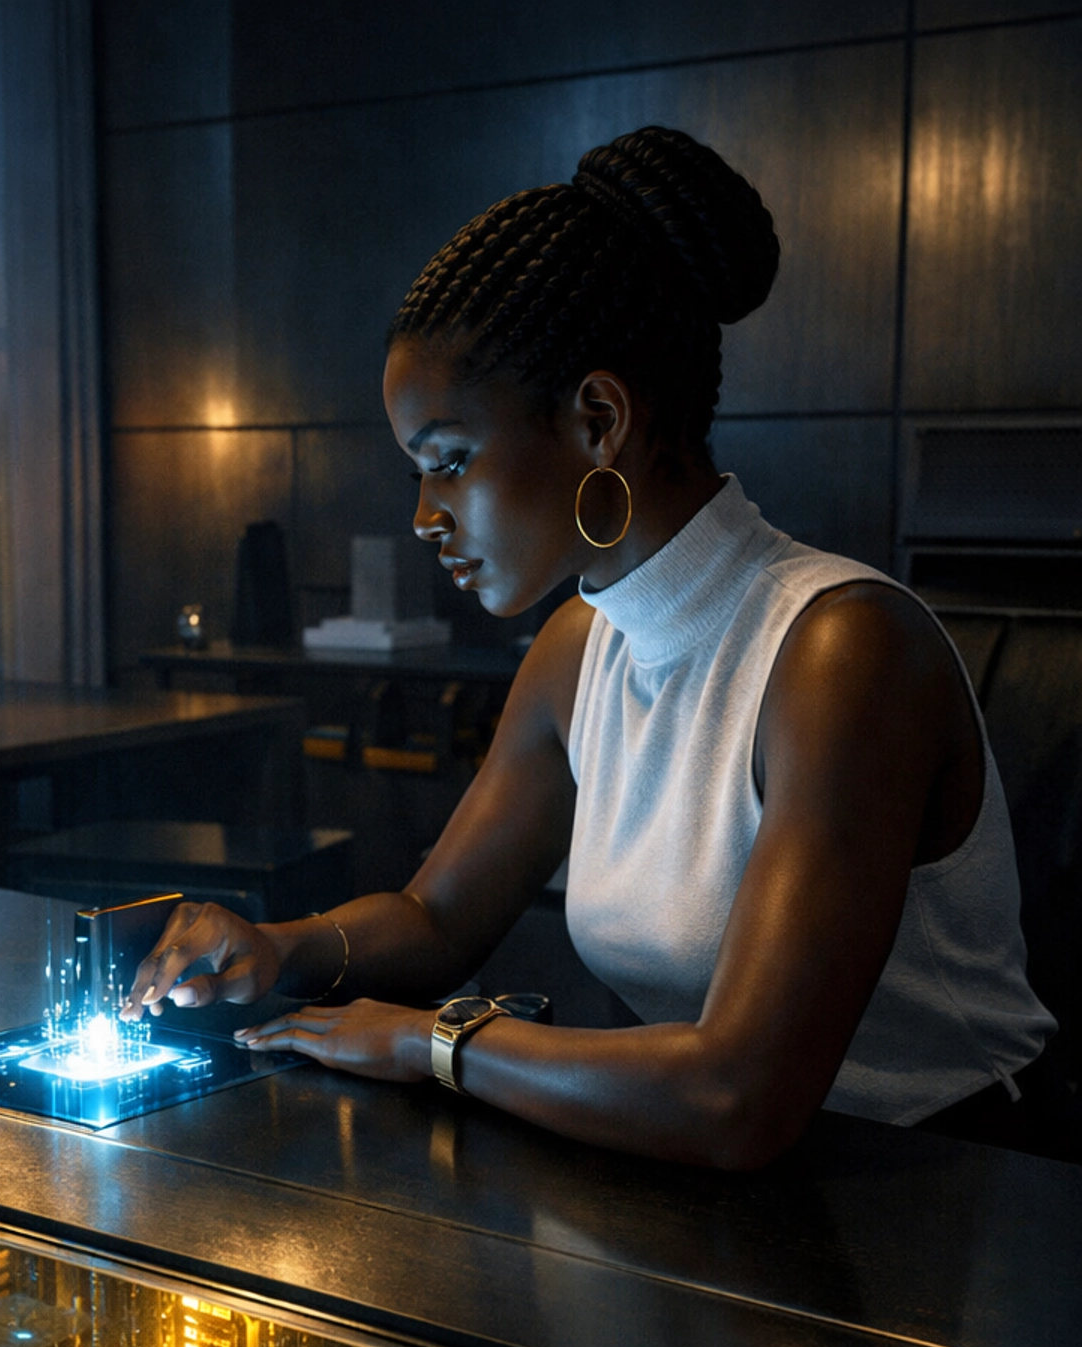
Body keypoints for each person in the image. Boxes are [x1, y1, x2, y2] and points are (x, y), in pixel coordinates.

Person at [124, 124, 1059, 1169]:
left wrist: (434, 1043)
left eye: (450, 460)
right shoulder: (579, 647)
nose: (425, 514)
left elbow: (736, 1093)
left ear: (600, 421)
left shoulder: (844, 651)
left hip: (955, 1204)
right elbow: (437, 921)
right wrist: (276, 948)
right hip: (713, 1195)